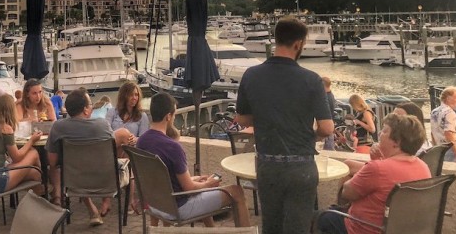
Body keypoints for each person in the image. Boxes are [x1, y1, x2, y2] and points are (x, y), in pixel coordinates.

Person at [235, 16, 334, 234]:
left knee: (271, 226)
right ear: (298, 44)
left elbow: (242, 119)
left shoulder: (251, 75)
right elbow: (327, 128)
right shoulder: (311, 80)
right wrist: (313, 134)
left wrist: (266, 116)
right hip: (301, 167)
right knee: (298, 227)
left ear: (276, 39)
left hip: (268, 165)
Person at [137, 92, 251, 228]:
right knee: (237, 192)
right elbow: (189, 188)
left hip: (155, 204)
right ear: (168, 116)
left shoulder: (142, 141)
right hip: (177, 208)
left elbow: (168, 180)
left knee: (202, 186)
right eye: (174, 114)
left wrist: (198, 180)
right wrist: (209, 183)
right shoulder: (173, 147)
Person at [315, 113, 431, 234]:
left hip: (362, 228)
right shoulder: (423, 167)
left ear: (396, 142)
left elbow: (347, 193)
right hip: (400, 229)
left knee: (317, 217)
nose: (379, 135)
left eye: (384, 131)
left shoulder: (378, 168)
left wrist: (374, 163)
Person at [45, 87, 114, 227]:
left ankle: (88, 207)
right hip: (104, 181)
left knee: (73, 167)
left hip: (74, 181)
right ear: (85, 109)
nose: (92, 107)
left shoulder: (58, 127)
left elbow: (52, 162)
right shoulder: (103, 125)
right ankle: (106, 201)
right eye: (90, 105)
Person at [0, 94, 43, 219]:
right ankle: (41, 195)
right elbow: (17, 158)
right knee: (33, 153)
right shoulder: (5, 128)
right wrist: (31, 140)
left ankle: (39, 193)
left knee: (34, 173)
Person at [105, 81, 150, 213]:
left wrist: (133, 139)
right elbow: (106, 133)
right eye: (131, 95)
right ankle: (129, 202)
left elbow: (143, 138)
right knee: (123, 142)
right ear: (124, 96)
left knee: (127, 153)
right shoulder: (112, 112)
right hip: (113, 149)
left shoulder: (142, 116)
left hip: (131, 150)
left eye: (136, 95)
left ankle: (108, 200)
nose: (134, 98)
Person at [430, 86, 456, 163]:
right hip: (452, 150)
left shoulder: (434, 111)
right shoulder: (450, 113)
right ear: (448, 98)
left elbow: (432, 132)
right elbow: (449, 134)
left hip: (440, 148)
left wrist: (435, 148)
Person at [322, 77, 337, 150]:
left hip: (326, 125)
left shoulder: (325, 98)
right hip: (331, 124)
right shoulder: (331, 95)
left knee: (327, 149)